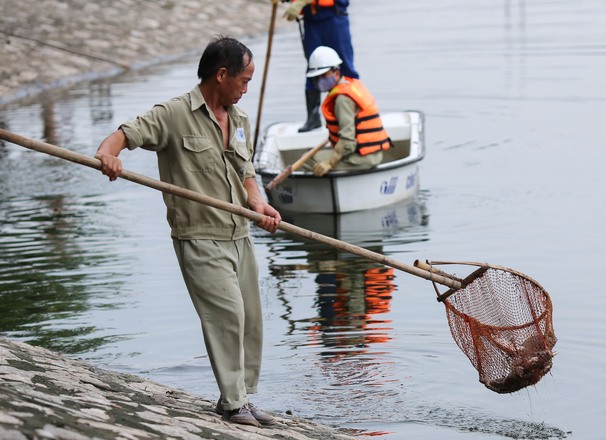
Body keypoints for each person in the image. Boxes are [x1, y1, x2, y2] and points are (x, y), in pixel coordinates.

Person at [95, 36, 282, 428]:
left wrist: (258, 203)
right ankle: (234, 405)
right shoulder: (175, 113)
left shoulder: (241, 120)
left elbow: (246, 173)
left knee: (250, 319)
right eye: (244, 80)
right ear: (222, 74)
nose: (246, 88)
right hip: (199, 236)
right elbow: (125, 134)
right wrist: (108, 154)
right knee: (226, 315)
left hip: (239, 235)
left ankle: (240, 397)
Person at [303, 46, 392, 177]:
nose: (320, 81)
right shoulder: (350, 85)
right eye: (316, 78)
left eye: (324, 75)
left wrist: (329, 163)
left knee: (307, 160)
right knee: (311, 155)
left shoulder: (342, 99)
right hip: (369, 153)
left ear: (336, 72)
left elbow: (348, 141)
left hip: (363, 157)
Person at [282, 0, 359, 132]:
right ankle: (313, 117)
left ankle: (353, 114)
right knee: (314, 68)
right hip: (311, 21)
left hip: (334, 17)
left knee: (344, 67)